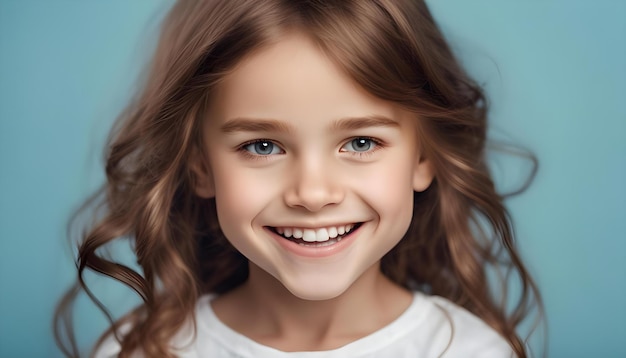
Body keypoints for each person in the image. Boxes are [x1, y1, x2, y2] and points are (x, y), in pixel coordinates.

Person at [55, 0, 542, 357]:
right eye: (262, 146)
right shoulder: (142, 349)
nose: (312, 194)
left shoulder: (467, 352)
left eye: (361, 143)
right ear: (201, 164)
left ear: (423, 157)